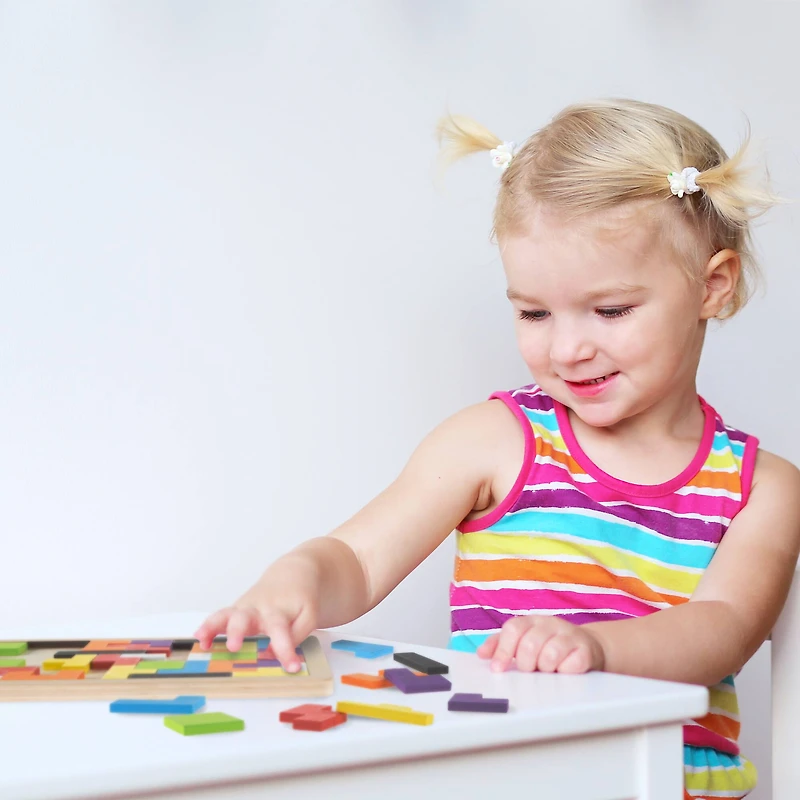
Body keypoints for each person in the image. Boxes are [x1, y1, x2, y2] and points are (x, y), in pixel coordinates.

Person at [196, 98, 800, 798]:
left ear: (712, 286)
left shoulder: (761, 488)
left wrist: (596, 649)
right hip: (504, 777)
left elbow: (723, 628)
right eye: (533, 312)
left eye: (610, 310)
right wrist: (290, 583)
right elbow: (357, 560)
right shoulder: (496, 441)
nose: (567, 349)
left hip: (665, 783)